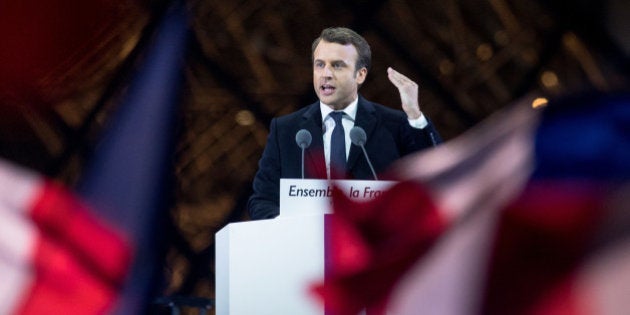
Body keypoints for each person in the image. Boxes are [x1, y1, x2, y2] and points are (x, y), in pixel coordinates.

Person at [247, 27, 442, 220]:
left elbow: (435, 179)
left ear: (360, 74)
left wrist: (415, 116)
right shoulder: (286, 131)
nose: (326, 74)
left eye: (337, 65)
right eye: (319, 64)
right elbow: (262, 200)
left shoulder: (393, 125)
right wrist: (282, 227)